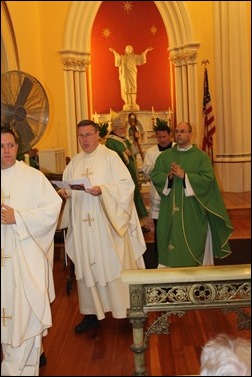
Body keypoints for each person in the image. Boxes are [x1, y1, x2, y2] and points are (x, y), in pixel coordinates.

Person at [58, 120, 146, 333]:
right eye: (80, 136)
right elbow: (69, 187)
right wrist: (65, 193)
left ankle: (126, 311)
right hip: (83, 229)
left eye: (88, 135)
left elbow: (127, 185)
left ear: (98, 135)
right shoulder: (75, 162)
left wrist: (103, 190)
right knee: (87, 266)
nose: (84, 140)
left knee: (114, 264)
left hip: (107, 226)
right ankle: (91, 313)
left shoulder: (110, 157)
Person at [1, 126, 62, 376]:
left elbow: (52, 208)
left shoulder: (33, 177)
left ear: (18, 147)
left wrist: (19, 217)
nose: (6, 151)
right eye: (0, 146)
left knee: (24, 319)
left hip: (24, 263)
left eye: (10, 145)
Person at [150, 121, 233, 268]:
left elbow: (208, 180)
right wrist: (167, 178)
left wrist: (185, 176)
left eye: (183, 131)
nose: (179, 134)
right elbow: (156, 175)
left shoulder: (201, 157)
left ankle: (195, 273)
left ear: (190, 134)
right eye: (176, 131)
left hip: (193, 209)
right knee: (169, 238)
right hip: (170, 209)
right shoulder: (165, 156)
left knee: (193, 240)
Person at [105, 115, 150, 233]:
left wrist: (135, 141)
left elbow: (133, 153)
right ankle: (130, 223)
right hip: (122, 176)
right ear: (114, 128)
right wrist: (124, 153)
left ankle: (139, 222)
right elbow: (116, 158)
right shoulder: (111, 142)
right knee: (128, 198)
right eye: (121, 128)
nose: (123, 130)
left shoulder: (123, 140)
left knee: (135, 195)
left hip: (131, 173)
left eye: (124, 128)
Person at [142, 123, 175, 258]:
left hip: (174, 189)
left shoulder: (176, 149)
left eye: (164, 136)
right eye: (159, 137)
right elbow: (146, 169)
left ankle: (175, 248)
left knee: (174, 220)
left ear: (170, 135)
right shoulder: (151, 152)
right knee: (159, 222)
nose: (161, 139)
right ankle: (159, 251)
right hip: (158, 190)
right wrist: (160, 166)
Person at [109, 45, 153, 111]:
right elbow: (117, 62)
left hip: (132, 75)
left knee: (133, 87)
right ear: (125, 50)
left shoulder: (134, 57)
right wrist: (114, 52)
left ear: (132, 50)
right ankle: (127, 102)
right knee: (125, 87)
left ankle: (133, 102)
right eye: (127, 49)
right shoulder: (122, 58)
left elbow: (141, 59)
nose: (128, 50)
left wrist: (146, 51)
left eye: (130, 49)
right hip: (125, 76)